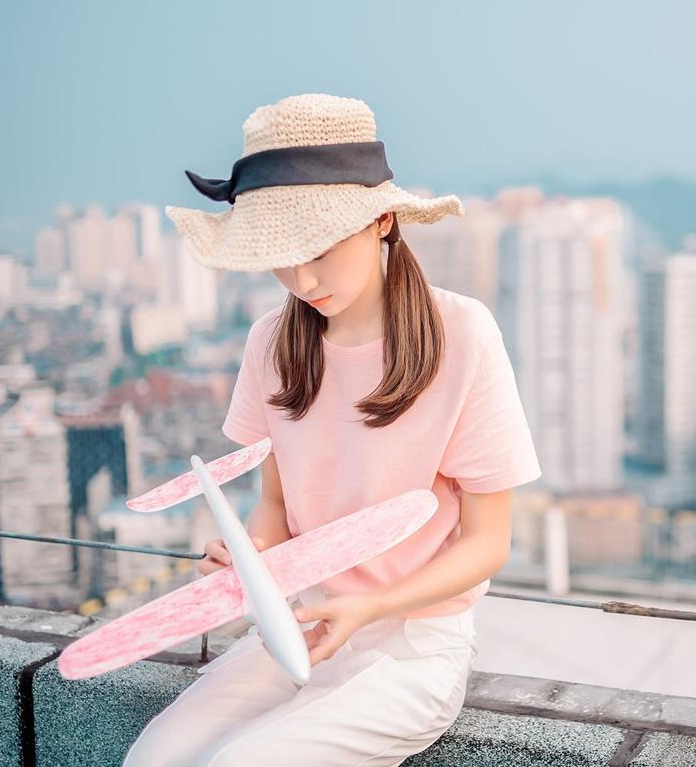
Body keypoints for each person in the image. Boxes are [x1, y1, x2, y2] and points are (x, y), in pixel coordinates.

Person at [122, 93, 542, 766]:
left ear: (381, 220)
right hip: (301, 626)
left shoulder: (461, 335)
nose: (301, 278)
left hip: (414, 643)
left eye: (317, 247)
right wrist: (250, 556)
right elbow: (278, 507)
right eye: (280, 256)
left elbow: (489, 542)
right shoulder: (271, 344)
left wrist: (369, 611)